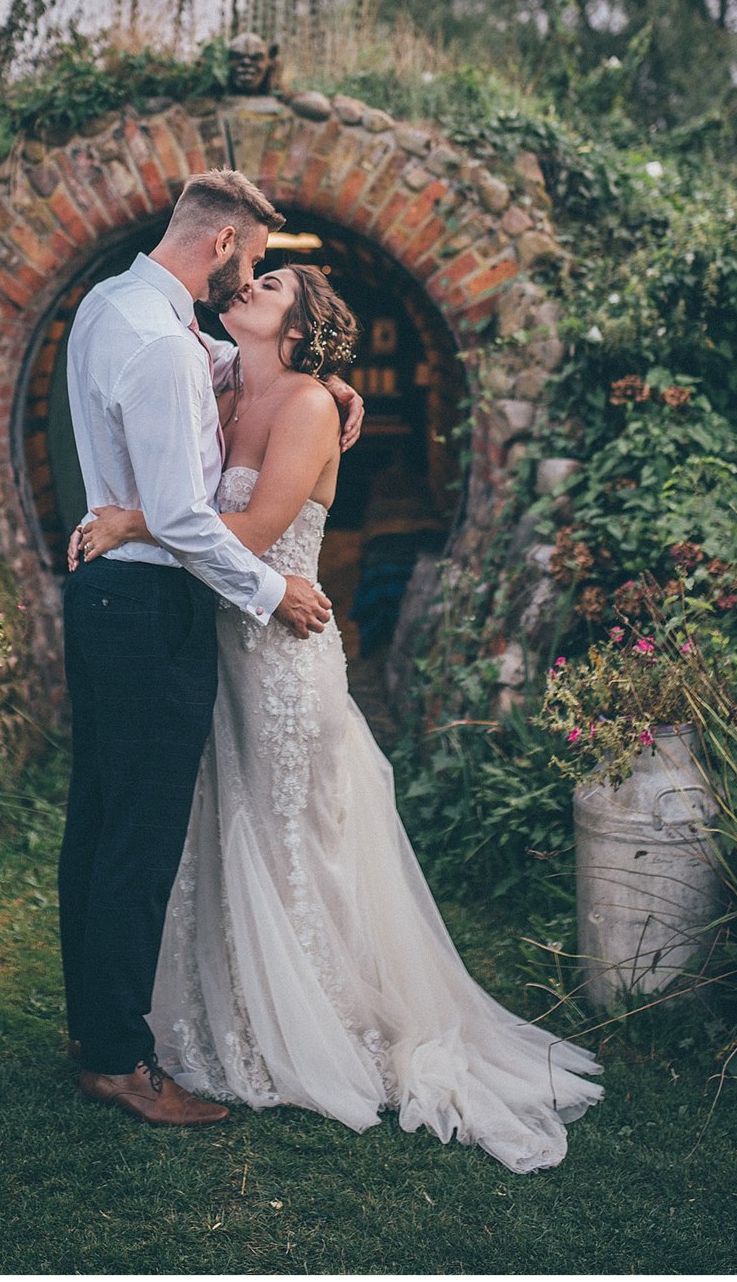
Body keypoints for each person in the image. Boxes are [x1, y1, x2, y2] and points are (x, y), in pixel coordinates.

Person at [71, 259, 604, 1171]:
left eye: (270, 286)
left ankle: (322, 1019)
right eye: (252, 278)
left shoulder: (312, 408)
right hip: (222, 652)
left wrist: (132, 523)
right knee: (219, 832)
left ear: (300, 324)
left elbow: (247, 530)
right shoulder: (222, 382)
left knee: (296, 839)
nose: (245, 287)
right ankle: (218, 1010)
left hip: (282, 662)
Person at [58, 170, 356, 1127]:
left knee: (99, 824)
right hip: (153, 609)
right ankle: (115, 1058)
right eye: (258, 259)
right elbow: (189, 520)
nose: (254, 275)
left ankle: (94, 1028)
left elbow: (246, 400)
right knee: (140, 841)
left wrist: (323, 378)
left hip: (111, 599)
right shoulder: (168, 346)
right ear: (226, 242)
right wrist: (277, 596)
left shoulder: (112, 309)